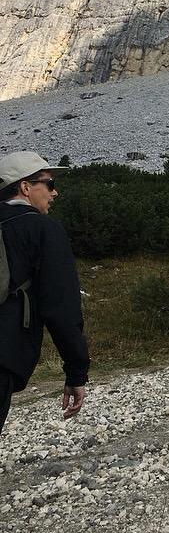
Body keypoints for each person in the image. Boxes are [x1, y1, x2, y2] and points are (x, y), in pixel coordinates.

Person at [0, 152, 89, 435]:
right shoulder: (42, 228)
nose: (55, 192)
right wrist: (76, 371)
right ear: (25, 187)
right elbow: (60, 307)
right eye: (49, 184)